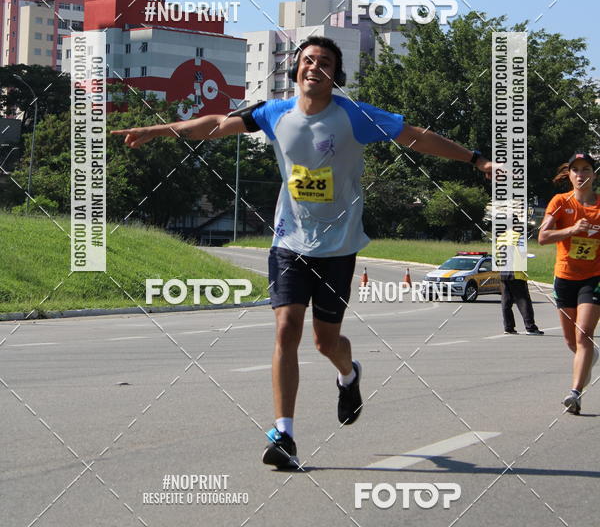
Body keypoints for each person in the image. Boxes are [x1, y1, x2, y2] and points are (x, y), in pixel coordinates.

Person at [113, 36, 495, 468]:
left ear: (336, 75)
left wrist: (474, 159)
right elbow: (215, 123)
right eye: (308, 60)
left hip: (339, 246)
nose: (315, 67)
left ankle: (349, 375)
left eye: (326, 62)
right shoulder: (273, 113)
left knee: (325, 340)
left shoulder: (354, 116)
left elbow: (415, 137)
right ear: (295, 69)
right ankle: (284, 435)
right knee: (286, 330)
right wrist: (156, 130)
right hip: (289, 241)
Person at [538, 152, 600, 414]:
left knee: (583, 333)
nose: (581, 174)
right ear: (569, 175)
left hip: (594, 278)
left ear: (594, 174)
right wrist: (572, 230)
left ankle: (575, 392)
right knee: (571, 341)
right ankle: (589, 359)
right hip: (564, 277)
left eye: (586, 169)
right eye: (576, 170)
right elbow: (543, 236)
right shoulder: (560, 202)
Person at [496, 228, 543, 335]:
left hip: (503, 272)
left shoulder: (500, 238)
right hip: (516, 273)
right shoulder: (518, 236)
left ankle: (508, 327)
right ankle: (530, 327)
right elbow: (522, 252)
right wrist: (529, 255)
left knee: (506, 302)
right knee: (524, 300)